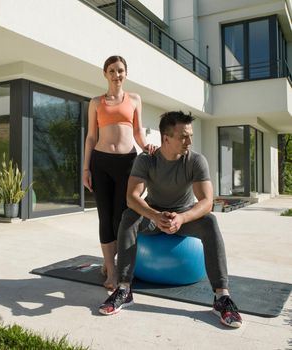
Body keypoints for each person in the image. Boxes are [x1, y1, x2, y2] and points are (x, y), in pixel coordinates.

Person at [98, 111, 243, 328]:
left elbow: (206, 201)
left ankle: (221, 297)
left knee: (210, 221)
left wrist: (182, 218)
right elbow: (132, 197)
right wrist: (155, 215)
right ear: (166, 138)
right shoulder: (146, 160)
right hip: (154, 214)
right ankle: (124, 289)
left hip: (183, 215)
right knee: (128, 216)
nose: (190, 141)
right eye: (183, 136)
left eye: (190, 135)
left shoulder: (195, 160)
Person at [83, 55, 157, 290]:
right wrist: (86, 168)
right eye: (112, 71)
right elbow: (91, 137)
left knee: (121, 218)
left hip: (128, 163)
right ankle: (112, 271)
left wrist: (147, 147)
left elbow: (137, 132)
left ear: (126, 73)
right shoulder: (96, 102)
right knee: (105, 217)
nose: (117, 75)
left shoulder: (134, 99)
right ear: (105, 74)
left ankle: (113, 261)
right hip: (101, 162)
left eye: (121, 70)